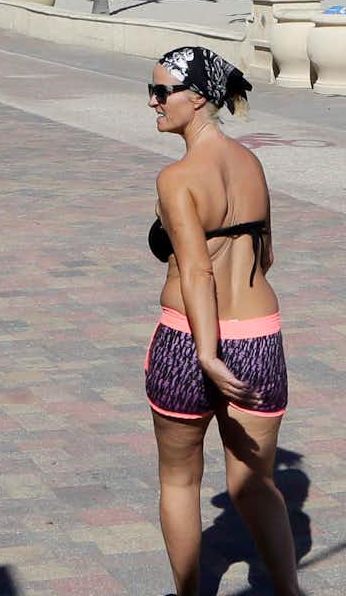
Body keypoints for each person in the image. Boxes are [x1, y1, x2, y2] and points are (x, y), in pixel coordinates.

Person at [143, 45, 300, 596]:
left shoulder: (178, 177)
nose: (152, 102)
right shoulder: (250, 162)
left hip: (191, 341)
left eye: (162, 91)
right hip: (259, 335)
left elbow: (196, 276)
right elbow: (266, 255)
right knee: (254, 485)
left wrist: (207, 353)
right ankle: (289, 591)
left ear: (199, 98)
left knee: (181, 479)